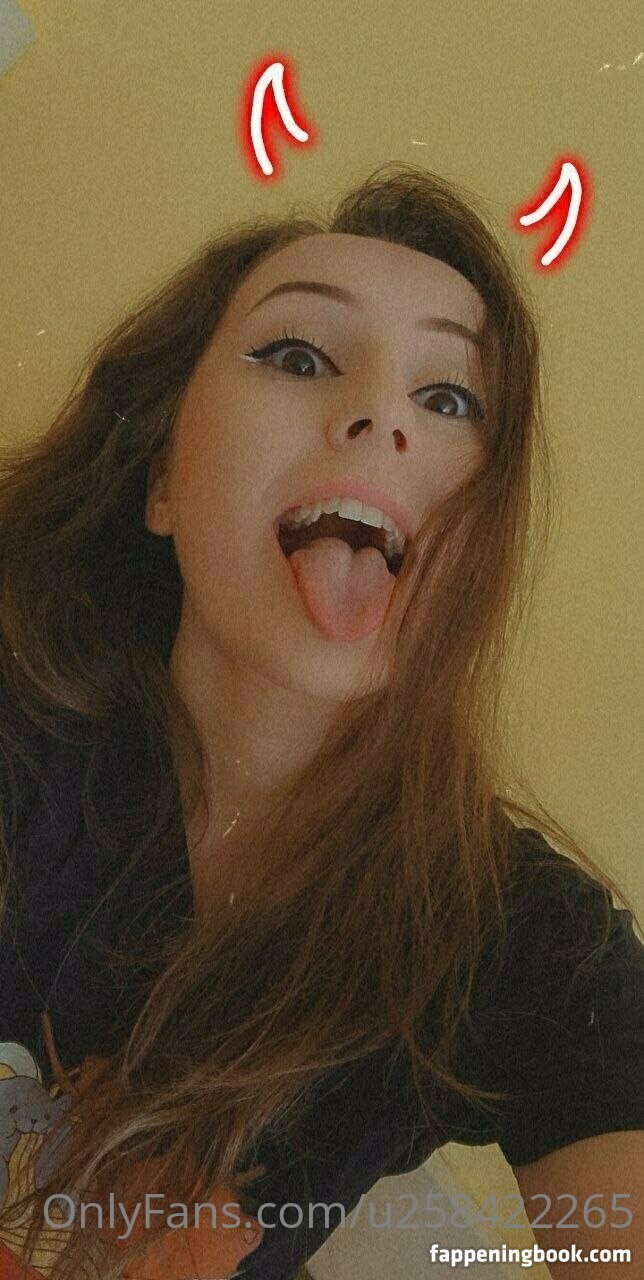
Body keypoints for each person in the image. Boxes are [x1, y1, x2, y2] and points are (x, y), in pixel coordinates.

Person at [0, 162, 641, 1280]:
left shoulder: (515, 935)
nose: (381, 415)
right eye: (298, 356)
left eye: (449, 400)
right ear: (161, 479)